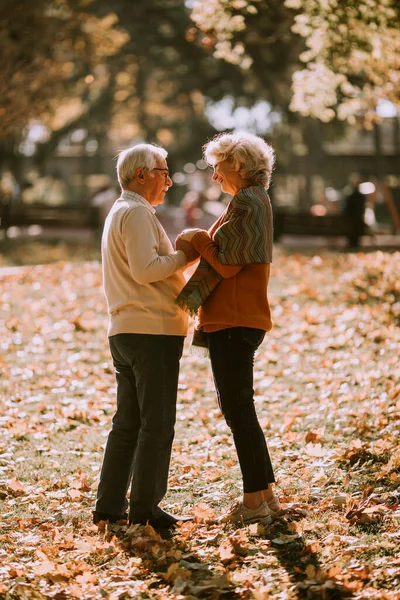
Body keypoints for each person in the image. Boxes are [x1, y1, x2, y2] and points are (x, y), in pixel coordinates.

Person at [175, 132, 281, 525]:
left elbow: (228, 264)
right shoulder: (250, 201)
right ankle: (265, 495)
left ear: (237, 164)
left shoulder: (249, 201)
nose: (214, 174)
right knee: (240, 409)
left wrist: (198, 238)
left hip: (236, 318)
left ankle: (254, 502)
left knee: (237, 410)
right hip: (236, 317)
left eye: (218, 165)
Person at [93, 143, 198, 530]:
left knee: (129, 423)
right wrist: (187, 255)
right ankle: (146, 509)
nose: (169, 181)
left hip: (126, 329)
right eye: (163, 172)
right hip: (150, 331)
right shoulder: (135, 213)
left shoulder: (121, 211)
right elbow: (145, 269)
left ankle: (109, 506)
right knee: (157, 424)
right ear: (142, 175)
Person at [343, 174, 367, 249]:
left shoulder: (350, 196)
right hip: (357, 221)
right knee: (356, 227)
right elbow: (362, 209)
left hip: (351, 221)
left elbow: (346, 209)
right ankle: (354, 244)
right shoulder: (360, 196)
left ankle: (352, 244)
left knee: (352, 227)